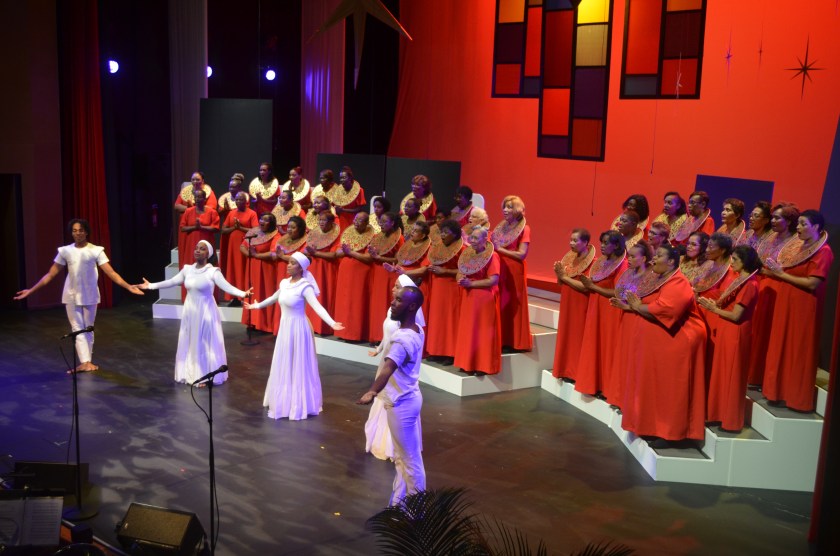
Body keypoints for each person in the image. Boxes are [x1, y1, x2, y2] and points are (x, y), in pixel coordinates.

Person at [14, 219, 143, 372]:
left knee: (88, 328)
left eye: (80, 230)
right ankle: (85, 362)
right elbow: (50, 274)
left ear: (86, 232)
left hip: (90, 294)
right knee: (77, 328)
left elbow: (111, 273)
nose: (77, 233)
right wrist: (31, 291)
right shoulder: (65, 251)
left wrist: (128, 286)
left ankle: (87, 361)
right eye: (74, 231)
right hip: (71, 295)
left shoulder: (96, 250)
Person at [616, 245, 707, 445]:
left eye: (658, 256)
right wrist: (632, 307)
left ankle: (670, 433)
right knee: (652, 386)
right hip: (658, 344)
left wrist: (638, 306)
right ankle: (649, 426)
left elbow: (667, 310)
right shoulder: (658, 278)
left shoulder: (678, 282)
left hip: (676, 343)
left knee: (668, 389)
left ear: (672, 262)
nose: (653, 259)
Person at [246, 252, 344, 420]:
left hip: (299, 329)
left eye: (292, 263)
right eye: (289, 262)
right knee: (284, 361)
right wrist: (256, 307)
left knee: (298, 363)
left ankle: (298, 401)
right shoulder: (284, 283)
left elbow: (317, 307)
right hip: (285, 329)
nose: (288, 265)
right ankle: (284, 398)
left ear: (301, 268)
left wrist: (331, 322)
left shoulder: (305, 286)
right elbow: (272, 298)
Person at [139, 240, 251, 385]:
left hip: (206, 311)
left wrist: (243, 294)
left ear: (208, 254)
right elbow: (172, 281)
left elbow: (226, 286)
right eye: (197, 248)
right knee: (192, 340)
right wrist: (151, 286)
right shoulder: (187, 269)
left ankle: (205, 375)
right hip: (190, 310)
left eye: (202, 249)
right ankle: (192, 373)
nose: (197, 250)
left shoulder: (213, 271)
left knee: (205, 342)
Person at [357, 285, 426, 506]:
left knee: (409, 460)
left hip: (401, 403)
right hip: (411, 398)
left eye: (398, 300)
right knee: (404, 459)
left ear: (411, 306)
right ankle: (398, 504)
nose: (392, 303)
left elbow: (388, 368)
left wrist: (372, 391)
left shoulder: (402, 340)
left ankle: (418, 512)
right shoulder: (417, 329)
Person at [761, 210, 834, 412]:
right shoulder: (797, 247)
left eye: (803, 224)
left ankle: (796, 398)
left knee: (797, 348)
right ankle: (776, 392)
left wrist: (781, 274)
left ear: (817, 227)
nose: (799, 228)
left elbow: (812, 283)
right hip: (786, 303)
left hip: (804, 307)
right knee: (780, 345)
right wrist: (773, 272)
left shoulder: (824, 251)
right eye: (799, 224)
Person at [698, 245, 761, 432]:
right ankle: (718, 415)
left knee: (732, 376)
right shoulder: (739, 279)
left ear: (745, 262)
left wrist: (713, 309)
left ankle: (731, 421)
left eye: (735, 259)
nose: (731, 262)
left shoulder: (750, 284)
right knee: (723, 373)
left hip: (736, 332)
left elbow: (736, 315)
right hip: (727, 331)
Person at [364, 275, 426, 461]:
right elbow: (388, 335)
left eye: (398, 292)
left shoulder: (408, 334)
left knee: (391, 400)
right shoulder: (396, 315)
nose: (393, 293)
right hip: (388, 358)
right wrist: (380, 349)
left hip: (395, 370)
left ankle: (392, 446)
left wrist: (372, 391)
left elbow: (390, 366)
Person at [747, 203, 799, 387]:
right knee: (757, 331)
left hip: (779, 288)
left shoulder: (795, 242)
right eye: (774, 217)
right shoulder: (770, 238)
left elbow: (787, 270)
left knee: (770, 333)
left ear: (790, 221)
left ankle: (766, 378)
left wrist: (768, 272)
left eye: (778, 218)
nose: (774, 221)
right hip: (762, 286)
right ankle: (752, 374)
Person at [575, 230, 628, 401]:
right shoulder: (600, 262)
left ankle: (607, 387)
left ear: (617, 245)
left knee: (607, 346)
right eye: (601, 242)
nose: (602, 246)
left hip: (610, 311)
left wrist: (593, 287)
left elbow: (620, 292)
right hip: (595, 308)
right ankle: (593, 383)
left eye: (606, 243)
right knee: (594, 344)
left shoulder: (623, 265)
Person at [607, 240, 654, 408]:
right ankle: (620, 397)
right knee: (623, 357)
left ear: (644, 258)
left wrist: (628, 307)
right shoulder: (628, 273)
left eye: (633, 257)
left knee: (634, 359)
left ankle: (631, 401)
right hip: (625, 318)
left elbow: (648, 303)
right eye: (629, 256)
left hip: (637, 319)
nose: (629, 259)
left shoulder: (650, 276)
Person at [454, 227, 502, 375]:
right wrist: (460, 279)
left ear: (484, 240)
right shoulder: (467, 253)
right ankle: (466, 363)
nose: (472, 241)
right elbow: (460, 272)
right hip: (468, 297)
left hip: (483, 298)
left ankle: (482, 365)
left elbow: (493, 280)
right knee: (468, 331)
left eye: (475, 238)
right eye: (471, 238)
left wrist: (471, 284)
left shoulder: (492, 256)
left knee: (481, 332)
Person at [552, 228, 595, 380]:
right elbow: (561, 282)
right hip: (567, 302)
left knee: (577, 337)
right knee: (567, 335)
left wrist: (564, 277)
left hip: (580, 304)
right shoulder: (569, 260)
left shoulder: (592, 263)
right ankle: (565, 370)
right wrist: (559, 275)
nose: (572, 243)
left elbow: (585, 287)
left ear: (586, 243)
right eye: (571, 240)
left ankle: (576, 373)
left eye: (575, 240)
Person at [493, 195, 532, 351]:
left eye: (509, 207)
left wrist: (500, 250)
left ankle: (514, 341)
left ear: (517, 209)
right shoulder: (501, 226)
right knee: (501, 302)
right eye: (504, 206)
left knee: (513, 303)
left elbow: (522, 254)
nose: (505, 210)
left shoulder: (525, 228)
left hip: (514, 270)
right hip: (499, 267)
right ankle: (501, 339)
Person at [422, 219, 465, 361]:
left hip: (451, 288)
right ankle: (435, 350)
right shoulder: (436, 247)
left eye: (446, 232)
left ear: (455, 234)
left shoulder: (463, 249)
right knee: (436, 319)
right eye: (441, 232)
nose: (443, 235)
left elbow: (465, 270)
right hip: (436, 287)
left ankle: (450, 353)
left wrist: (445, 271)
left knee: (449, 320)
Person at [334, 212, 376, 341]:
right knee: (344, 302)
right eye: (355, 219)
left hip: (360, 274)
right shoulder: (348, 233)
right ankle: (343, 332)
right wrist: (343, 252)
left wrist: (350, 252)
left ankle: (355, 334)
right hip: (345, 273)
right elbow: (337, 252)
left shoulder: (372, 237)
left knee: (356, 303)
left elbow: (369, 258)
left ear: (367, 223)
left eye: (360, 220)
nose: (356, 222)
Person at [367, 212, 405, 343]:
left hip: (389, 274)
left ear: (393, 223)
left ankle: (387, 338)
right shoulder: (378, 236)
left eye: (384, 222)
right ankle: (376, 336)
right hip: (377, 273)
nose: (380, 224)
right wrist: (373, 255)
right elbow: (374, 255)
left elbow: (398, 259)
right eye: (379, 221)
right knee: (377, 304)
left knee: (386, 304)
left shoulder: (399, 238)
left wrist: (379, 258)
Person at [239, 213, 278, 334]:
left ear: (271, 224)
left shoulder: (276, 235)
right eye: (261, 219)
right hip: (253, 267)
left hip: (267, 268)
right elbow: (243, 246)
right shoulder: (253, 232)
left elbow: (273, 253)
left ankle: (265, 325)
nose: (262, 221)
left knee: (265, 293)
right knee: (253, 293)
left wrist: (257, 255)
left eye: (266, 220)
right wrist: (249, 254)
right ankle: (252, 321)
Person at [304, 211, 342, 335]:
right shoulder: (314, 234)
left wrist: (316, 253)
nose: (321, 222)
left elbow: (334, 254)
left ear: (331, 222)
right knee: (313, 295)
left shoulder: (336, 235)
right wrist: (309, 252)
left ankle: (325, 327)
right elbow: (307, 249)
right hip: (314, 267)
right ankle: (312, 324)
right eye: (319, 220)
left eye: (324, 220)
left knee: (325, 295)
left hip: (328, 268)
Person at [220, 191, 258, 303]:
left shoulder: (252, 213)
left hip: (245, 244)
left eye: (240, 199)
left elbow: (256, 230)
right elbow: (224, 229)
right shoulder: (231, 213)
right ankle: (234, 297)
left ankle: (244, 295)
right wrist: (234, 228)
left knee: (243, 269)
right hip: (233, 245)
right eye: (236, 199)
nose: (238, 202)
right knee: (233, 269)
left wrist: (241, 228)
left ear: (246, 201)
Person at [333, 166, 366, 230]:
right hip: (341, 220)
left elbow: (359, 209)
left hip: (353, 221)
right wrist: (337, 209)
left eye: (344, 177)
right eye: (341, 178)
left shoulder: (359, 190)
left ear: (350, 178)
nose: (342, 180)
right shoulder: (338, 191)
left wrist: (344, 210)